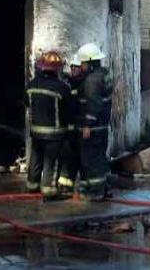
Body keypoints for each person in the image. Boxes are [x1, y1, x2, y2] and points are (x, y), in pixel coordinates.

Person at [26, 51, 72, 199]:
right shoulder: (62, 88)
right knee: (51, 161)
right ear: (57, 69)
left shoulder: (31, 85)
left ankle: (32, 185)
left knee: (36, 158)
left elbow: (27, 104)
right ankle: (49, 190)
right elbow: (68, 109)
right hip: (55, 132)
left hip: (36, 130)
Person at [75, 43, 113, 201]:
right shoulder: (105, 74)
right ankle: (102, 188)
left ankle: (95, 193)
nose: (81, 66)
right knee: (100, 157)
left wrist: (87, 125)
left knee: (89, 159)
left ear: (90, 63)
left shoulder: (91, 81)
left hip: (94, 127)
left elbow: (94, 104)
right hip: (103, 125)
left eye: (83, 63)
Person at [57, 54, 84, 195]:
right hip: (68, 128)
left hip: (80, 128)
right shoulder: (68, 83)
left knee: (79, 157)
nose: (73, 70)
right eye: (72, 67)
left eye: (76, 67)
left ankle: (81, 185)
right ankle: (65, 184)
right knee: (67, 157)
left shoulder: (84, 84)